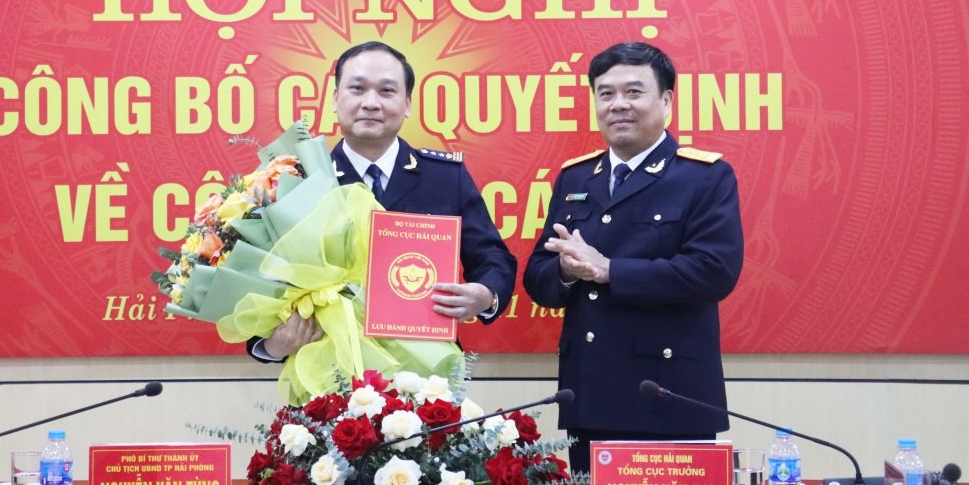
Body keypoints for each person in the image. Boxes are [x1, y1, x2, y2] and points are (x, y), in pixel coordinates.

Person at [522, 41, 744, 473]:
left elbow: (714, 271)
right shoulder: (575, 177)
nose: (618, 105)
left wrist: (610, 271)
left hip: (668, 394)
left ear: (666, 101)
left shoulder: (704, 176)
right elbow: (538, 278)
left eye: (634, 92)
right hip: (589, 396)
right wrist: (565, 270)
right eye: (605, 94)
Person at [248, 40, 517, 362]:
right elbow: (254, 284)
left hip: (425, 369)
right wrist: (273, 345)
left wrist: (485, 295)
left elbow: (492, 257)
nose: (371, 103)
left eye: (387, 91)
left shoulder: (445, 177)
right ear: (335, 99)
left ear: (407, 104)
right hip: (327, 366)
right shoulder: (298, 181)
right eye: (357, 89)